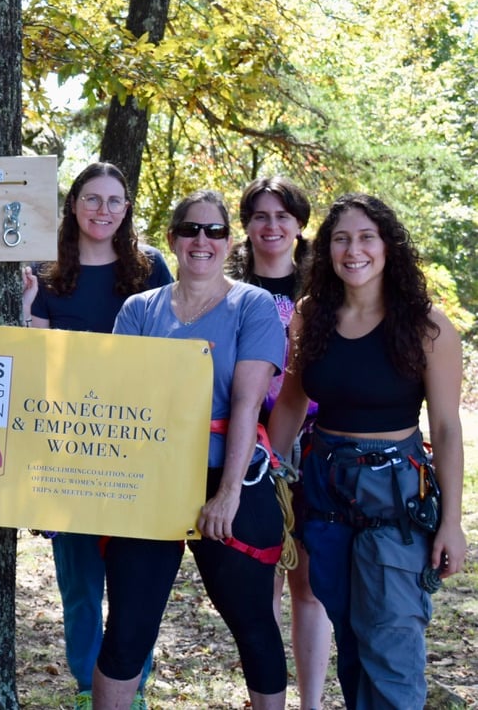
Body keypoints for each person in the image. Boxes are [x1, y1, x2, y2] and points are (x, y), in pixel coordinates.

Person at [267, 193, 465, 709]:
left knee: (392, 645)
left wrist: (452, 524)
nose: (353, 250)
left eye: (365, 237)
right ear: (327, 250)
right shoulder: (312, 316)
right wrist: (265, 477)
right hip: (326, 493)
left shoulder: (429, 327)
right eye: (340, 239)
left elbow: (445, 428)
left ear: (388, 247)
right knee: (353, 640)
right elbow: (290, 402)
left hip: (395, 498)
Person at [96, 190, 288, 710]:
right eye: (190, 229)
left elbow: (247, 404)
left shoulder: (254, 306)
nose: (202, 240)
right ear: (173, 239)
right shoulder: (139, 310)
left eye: (215, 231)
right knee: (127, 627)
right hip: (151, 484)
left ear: (230, 240)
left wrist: (226, 495)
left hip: (230, 478)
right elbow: (119, 402)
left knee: (252, 622)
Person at [21, 161, 172, 710]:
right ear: (73, 205)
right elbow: (33, 359)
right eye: (91, 199)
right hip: (65, 444)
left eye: (113, 200)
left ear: (127, 209)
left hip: (136, 444)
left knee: (134, 585)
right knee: (80, 583)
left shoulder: (151, 270)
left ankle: (132, 689)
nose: (102, 210)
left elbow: (171, 353)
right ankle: (90, 689)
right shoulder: (46, 272)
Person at [231, 176, 331, 710]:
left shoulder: (326, 290)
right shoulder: (226, 292)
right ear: (246, 226)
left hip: (315, 448)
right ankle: (267, 694)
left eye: (282, 216)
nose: (271, 227)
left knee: (309, 585)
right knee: (260, 578)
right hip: (248, 448)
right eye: (260, 216)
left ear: (299, 225)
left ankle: (311, 702)